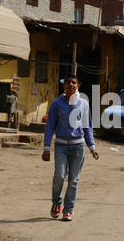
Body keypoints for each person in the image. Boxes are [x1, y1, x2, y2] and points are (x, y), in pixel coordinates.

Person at [42, 74, 99, 221]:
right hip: (60, 145)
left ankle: (68, 209)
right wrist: (46, 148)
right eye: (68, 83)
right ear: (64, 86)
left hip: (78, 146)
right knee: (59, 176)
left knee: (74, 180)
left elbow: (87, 127)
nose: (71, 85)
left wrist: (92, 147)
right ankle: (56, 203)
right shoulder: (56, 104)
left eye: (74, 83)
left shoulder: (83, 104)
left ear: (78, 86)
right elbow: (49, 126)